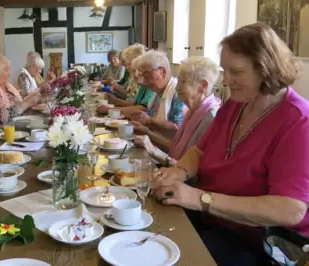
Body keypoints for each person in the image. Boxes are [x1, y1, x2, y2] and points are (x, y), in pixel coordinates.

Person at [150, 23, 309, 266]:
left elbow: (289, 209)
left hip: (256, 241)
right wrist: (179, 172)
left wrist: (200, 198)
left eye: (235, 72)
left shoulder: (298, 121)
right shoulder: (237, 103)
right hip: (213, 219)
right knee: (150, 220)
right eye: (225, 70)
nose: (226, 80)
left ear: (266, 68)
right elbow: (199, 150)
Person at [134, 56, 221, 164]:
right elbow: (176, 149)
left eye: (183, 81)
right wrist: (148, 134)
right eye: (178, 80)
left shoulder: (211, 118)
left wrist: (154, 151)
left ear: (203, 86)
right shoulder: (193, 111)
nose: (177, 87)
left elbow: (191, 170)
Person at [130, 51, 187, 134]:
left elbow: (179, 131)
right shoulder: (158, 93)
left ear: (162, 71)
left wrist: (149, 121)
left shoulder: (178, 93)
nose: (144, 80)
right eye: (142, 74)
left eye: (146, 74)